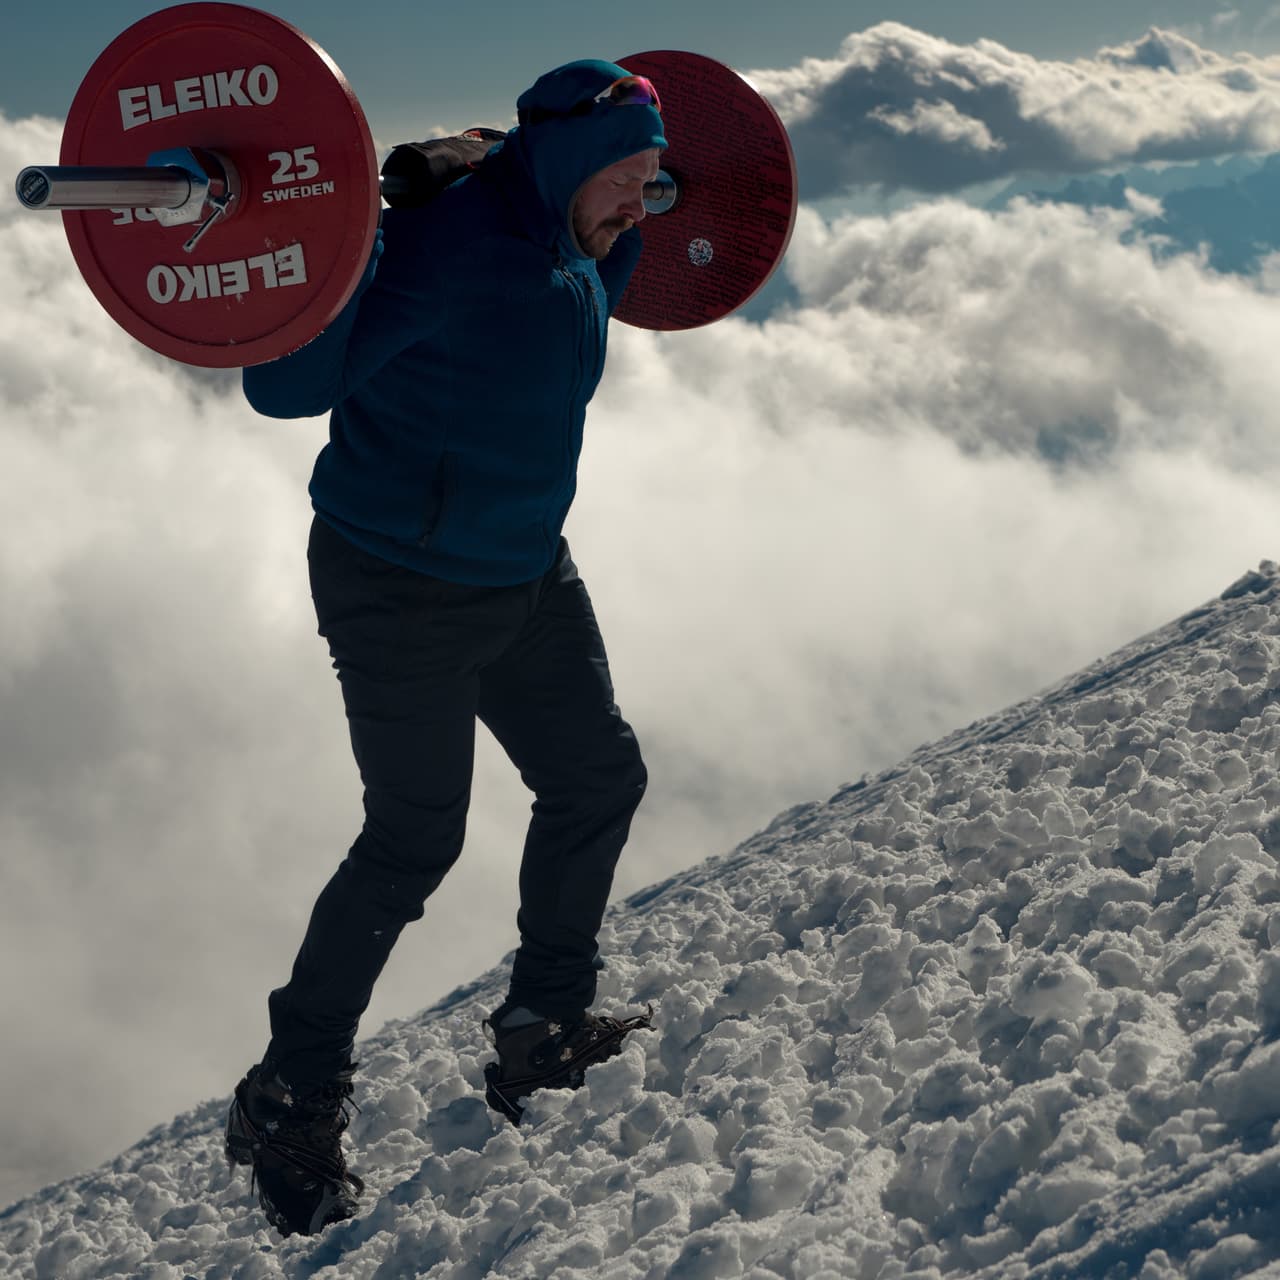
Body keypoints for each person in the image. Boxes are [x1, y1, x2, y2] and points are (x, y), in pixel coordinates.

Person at [223, 60, 666, 1238]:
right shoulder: (449, 246)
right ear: (570, 165)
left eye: (651, 179)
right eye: (627, 178)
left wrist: (603, 183)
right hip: (398, 584)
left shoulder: (579, 231)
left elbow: (595, 232)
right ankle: (289, 1091)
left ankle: (541, 1025)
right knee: (413, 837)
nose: (642, 203)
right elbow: (286, 385)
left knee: (595, 777)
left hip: (523, 569)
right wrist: (358, 241)